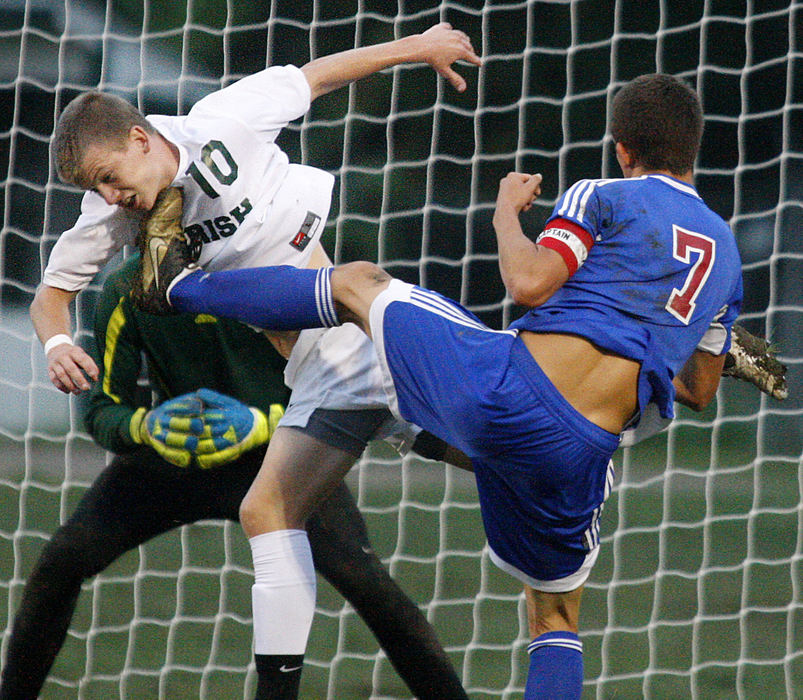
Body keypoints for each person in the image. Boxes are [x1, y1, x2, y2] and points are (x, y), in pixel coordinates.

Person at [134, 73, 745, 699]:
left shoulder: (603, 195)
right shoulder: (726, 257)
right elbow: (698, 390)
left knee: (356, 285)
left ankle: (178, 287)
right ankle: (412, 422)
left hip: (512, 390)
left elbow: (529, 284)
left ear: (622, 147)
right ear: (694, 149)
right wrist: (722, 352)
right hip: (585, 451)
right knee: (555, 620)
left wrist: (508, 211)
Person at [30, 23, 480, 698]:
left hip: (345, 348)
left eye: (112, 179)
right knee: (268, 514)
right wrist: (59, 344)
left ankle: (564, 447)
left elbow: (317, 75)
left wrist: (417, 45)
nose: (112, 198)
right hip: (303, 384)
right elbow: (52, 295)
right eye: (99, 190)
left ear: (140, 139)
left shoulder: (225, 121)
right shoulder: (116, 220)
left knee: (467, 454)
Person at [2, 253, 467, 700]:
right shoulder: (129, 288)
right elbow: (103, 411)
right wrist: (146, 425)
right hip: (174, 457)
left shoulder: (278, 279)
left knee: (367, 583)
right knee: (61, 563)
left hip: (280, 454)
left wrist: (261, 422)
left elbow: (346, 387)